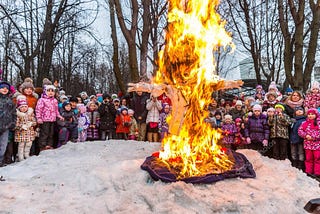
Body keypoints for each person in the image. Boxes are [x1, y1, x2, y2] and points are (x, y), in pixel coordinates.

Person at [35, 85, 63, 151]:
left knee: (51, 133)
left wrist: (59, 116)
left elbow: (56, 110)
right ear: (45, 91)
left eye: (52, 91)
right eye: (48, 91)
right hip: (45, 119)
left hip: (52, 119)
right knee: (45, 133)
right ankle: (42, 146)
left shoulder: (55, 100)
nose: (50, 92)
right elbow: (38, 109)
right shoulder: (42, 100)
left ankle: (49, 145)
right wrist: (39, 118)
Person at [298, 108, 320, 177]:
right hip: (308, 145)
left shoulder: (319, 123)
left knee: (317, 159)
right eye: (309, 114)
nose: (310, 116)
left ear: (316, 115)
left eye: (312, 114)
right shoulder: (304, 123)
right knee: (308, 159)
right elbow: (300, 131)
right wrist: (305, 135)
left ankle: (317, 173)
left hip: (317, 145)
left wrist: (313, 137)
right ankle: (309, 172)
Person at [0, 81, 17, 166]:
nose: (4, 89)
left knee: (3, 145)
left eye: (6, 88)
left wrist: (13, 123)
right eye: (2, 88)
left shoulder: (11, 101)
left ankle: (1, 160)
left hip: (6, 126)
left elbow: (14, 113)